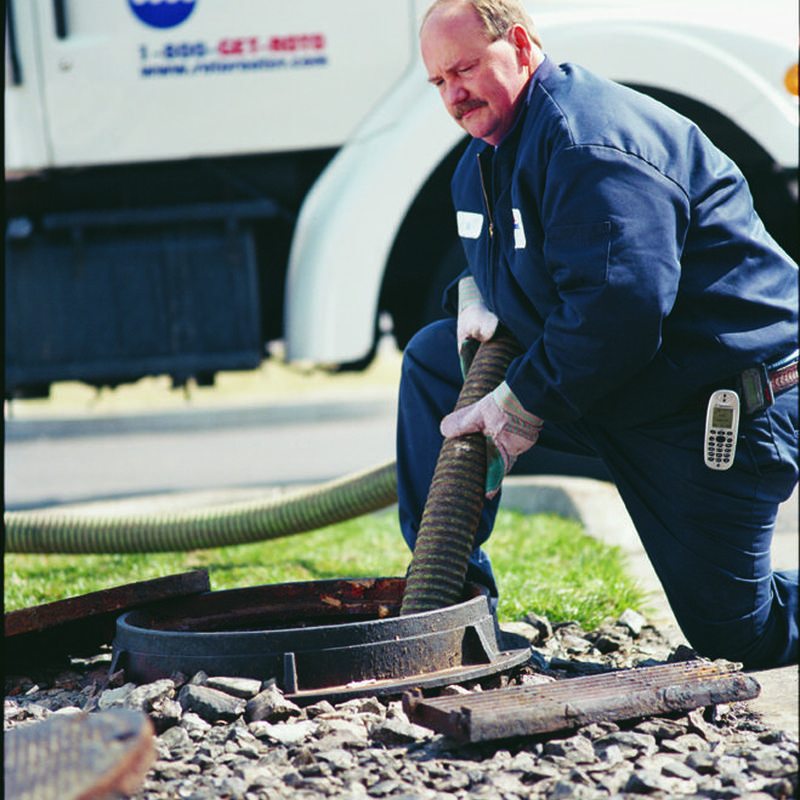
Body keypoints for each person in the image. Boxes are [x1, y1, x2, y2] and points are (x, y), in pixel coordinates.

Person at [397, 0, 798, 669]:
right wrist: (470, 292)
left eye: (464, 67)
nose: (453, 92)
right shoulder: (484, 161)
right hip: (628, 392)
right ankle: (454, 606)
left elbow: (622, 309)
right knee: (435, 362)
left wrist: (516, 408)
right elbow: (526, 272)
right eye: (438, 82)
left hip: (719, 408)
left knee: (739, 636)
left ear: (520, 44)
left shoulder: (589, 145)